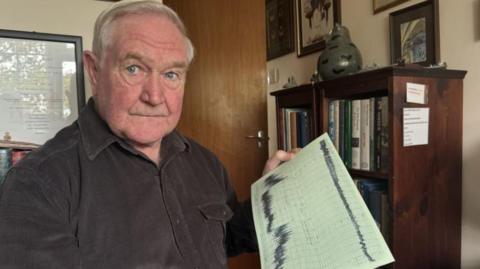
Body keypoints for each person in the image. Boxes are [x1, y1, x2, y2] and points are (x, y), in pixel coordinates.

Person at [0, 1, 295, 268]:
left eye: (171, 75)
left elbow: (225, 240)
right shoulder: (38, 183)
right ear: (93, 70)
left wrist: (269, 197)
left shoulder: (205, 162)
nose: (154, 96)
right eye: (134, 68)